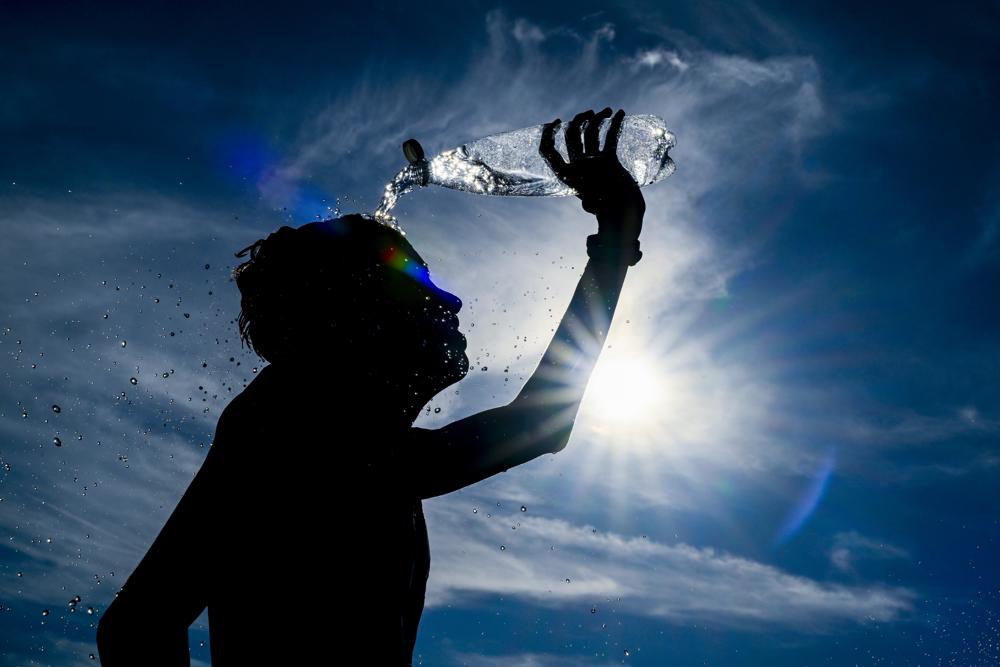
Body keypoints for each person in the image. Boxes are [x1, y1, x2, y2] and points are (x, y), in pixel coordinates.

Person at [96, 107, 646, 666]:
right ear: (355, 312)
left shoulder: (341, 439)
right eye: (419, 284)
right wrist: (614, 242)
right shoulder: (290, 423)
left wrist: (615, 241)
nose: (451, 303)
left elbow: (539, 425)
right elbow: (136, 627)